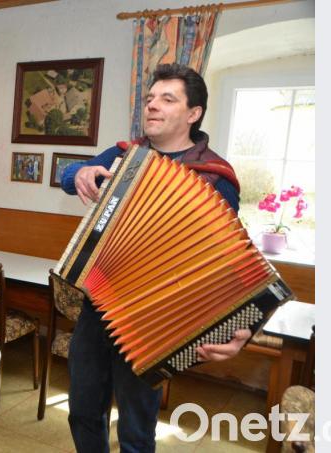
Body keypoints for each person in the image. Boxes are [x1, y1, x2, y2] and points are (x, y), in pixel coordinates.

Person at [60, 63, 249, 452]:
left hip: (154, 319)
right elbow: (68, 175)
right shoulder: (123, 154)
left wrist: (236, 325)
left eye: (167, 99)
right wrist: (81, 171)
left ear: (193, 113)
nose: (153, 106)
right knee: (81, 412)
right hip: (100, 304)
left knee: (136, 427)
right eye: (149, 99)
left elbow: (227, 262)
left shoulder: (214, 178)